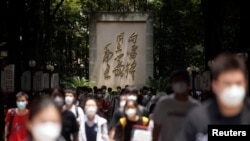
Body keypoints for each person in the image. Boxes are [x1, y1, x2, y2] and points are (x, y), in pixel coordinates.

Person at [175, 53, 250, 141]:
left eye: (238, 83)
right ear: (215, 85)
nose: (233, 89)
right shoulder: (197, 118)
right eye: (227, 83)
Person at [153, 70, 200, 141]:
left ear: (188, 84)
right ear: (172, 85)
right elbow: (156, 128)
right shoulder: (163, 103)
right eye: (176, 81)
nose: (179, 83)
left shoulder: (195, 106)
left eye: (182, 81)